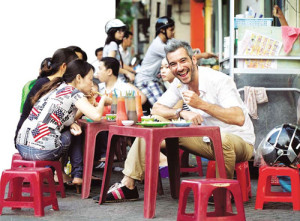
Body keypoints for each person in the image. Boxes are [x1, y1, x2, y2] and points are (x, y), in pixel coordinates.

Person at [103, 39, 255, 203]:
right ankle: (129, 185)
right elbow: (157, 109)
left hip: (239, 142)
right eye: (173, 64)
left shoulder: (219, 80)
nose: (180, 68)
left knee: (223, 138)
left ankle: (221, 190)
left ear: (193, 60)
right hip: (206, 139)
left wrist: (201, 105)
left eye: (183, 61)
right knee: (155, 122)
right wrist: (181, 112)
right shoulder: (179, 83)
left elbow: (238, 118)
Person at [15, 59, 110, 186]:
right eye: (90, 79)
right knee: (75, 132)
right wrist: (103, 98)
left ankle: (74, 175)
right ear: (78, 78)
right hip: (41, 152)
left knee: (72, 128)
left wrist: (75, 119)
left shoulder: (56, 88)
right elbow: (97, 116)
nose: (92, 84)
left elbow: (66, 118)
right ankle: (78, 175)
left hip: (22, 147)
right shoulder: (74, 93)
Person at [15, 48, 78, 147]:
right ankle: (72, 163)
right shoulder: (45, 84)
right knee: (73, 134)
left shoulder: (59, 84)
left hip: (29, 137)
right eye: (74, 67)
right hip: (29, 138)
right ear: (64, 66)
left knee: (72, 130)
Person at [134, 16, 175, 106]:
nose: (173, 32)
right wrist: (202, 55)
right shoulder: (158, 45)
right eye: (171, 30)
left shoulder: (166, 43)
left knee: (170, 102)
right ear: (162, 30)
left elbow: (179, 48)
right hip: (145, 81)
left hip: (154, 80)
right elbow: (176, 56)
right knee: (163, 106)